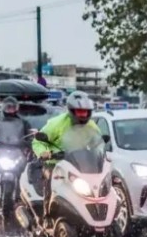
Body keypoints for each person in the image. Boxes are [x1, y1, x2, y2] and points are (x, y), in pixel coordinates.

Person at [31, 91, 101, 223]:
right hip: (55, 163)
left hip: (80, 164)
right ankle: (47, 217)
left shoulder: (92, 126)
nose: (83, 115)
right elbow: (38, 141)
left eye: (85, 112)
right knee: (51, 179)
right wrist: (43, 152)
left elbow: (98, 143)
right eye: (79, 112)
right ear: (71, 111)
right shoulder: (56, 124)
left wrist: (102, 155)